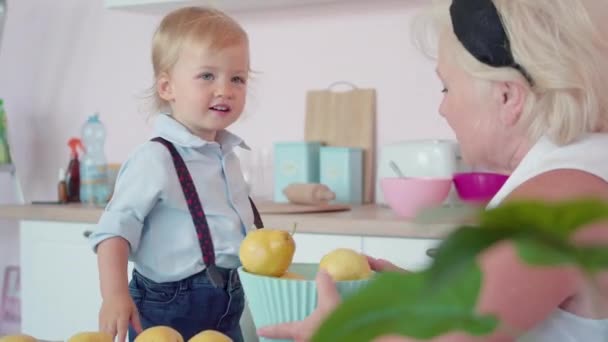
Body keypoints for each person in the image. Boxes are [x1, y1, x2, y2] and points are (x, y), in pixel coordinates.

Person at [258, 0, 608, 341]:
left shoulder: (553, 206)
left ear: (507, 96)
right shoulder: (578, 172)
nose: (443, 108)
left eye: (446, 87)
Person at [88, 6, 263, 342]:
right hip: (166, 306)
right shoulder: (156, 158)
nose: (225, 89)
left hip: (227, 304)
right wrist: (114, 295)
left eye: (237, 78)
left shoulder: (228, 156)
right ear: (167, 87)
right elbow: (114, 231)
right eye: (208, 76)